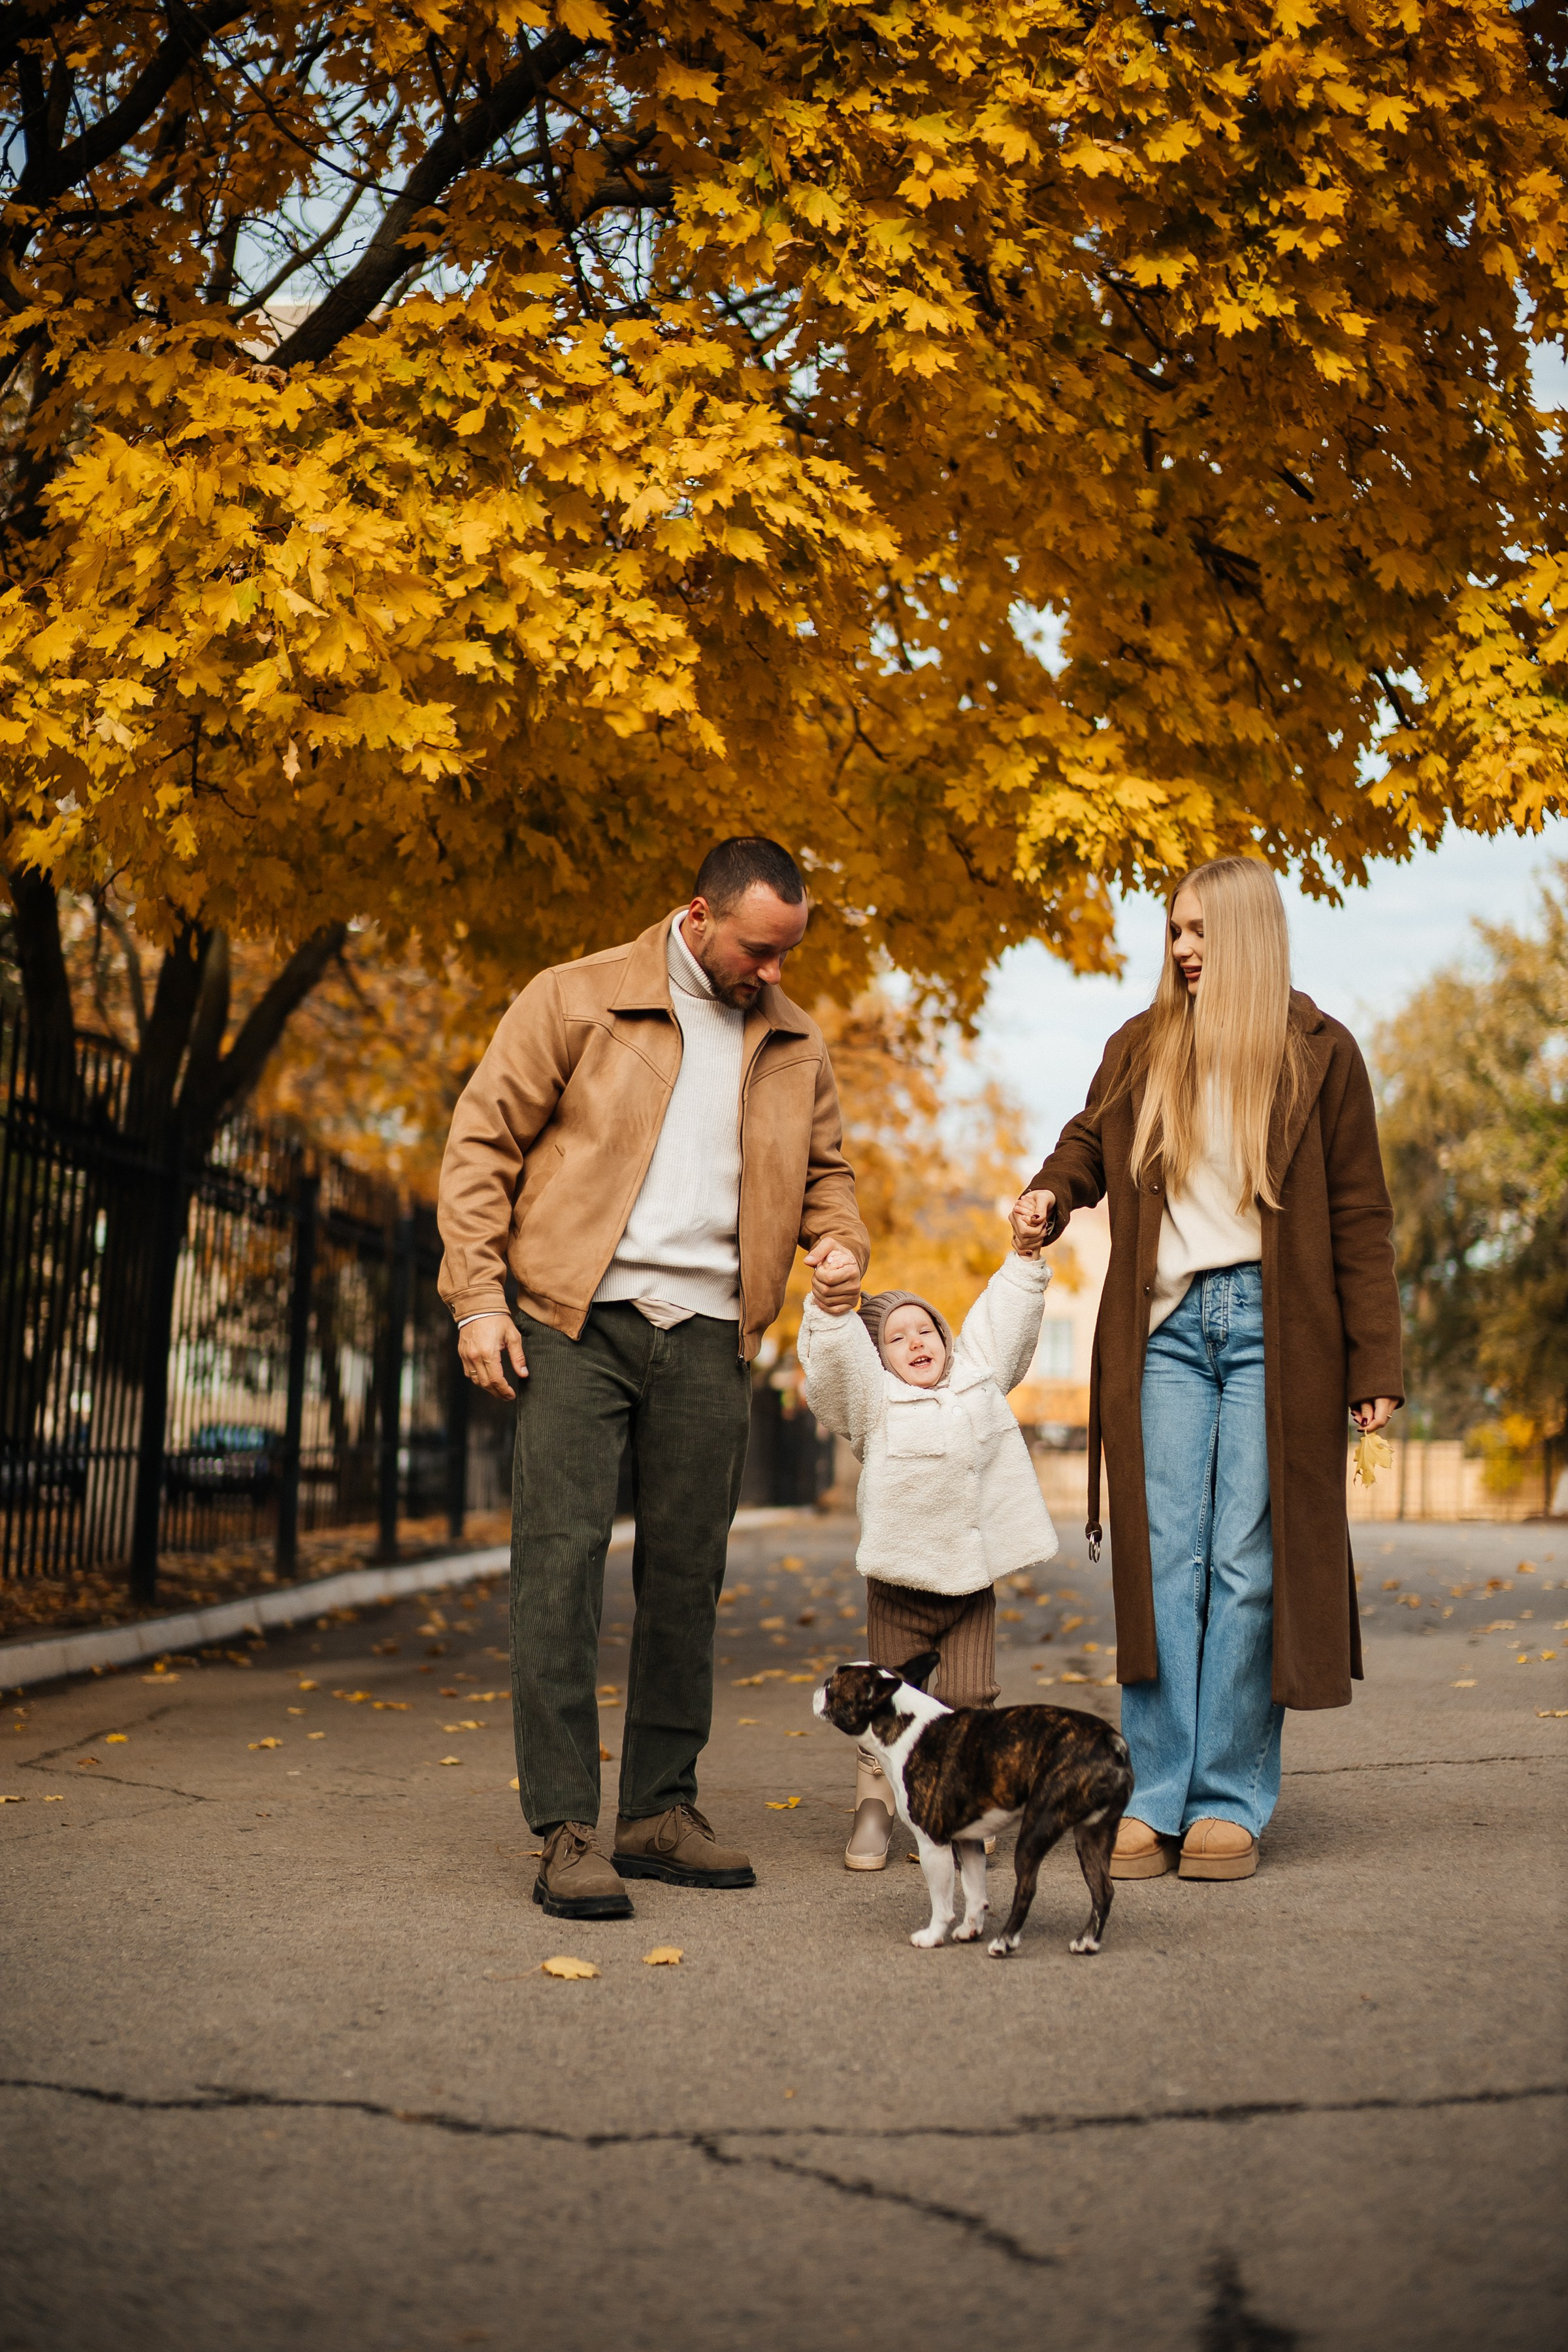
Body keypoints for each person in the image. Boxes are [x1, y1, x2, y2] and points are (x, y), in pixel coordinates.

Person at [438, 838, 870, 1919]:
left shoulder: (795, 1036)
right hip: (575, 1321)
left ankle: (660, 1812)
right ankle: (569, 1828)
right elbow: (482, 1142)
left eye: (787, 956)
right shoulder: (576, 999)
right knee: (561, 1569)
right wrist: (478, 1300)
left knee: (687, 1582)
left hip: (713, 1334)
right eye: (759, 951)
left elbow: (826, 1174)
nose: (771, 973)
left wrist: (840, 1239)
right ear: (699, 916)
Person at [1016, 856, 1403, 1882]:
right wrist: (1052, 1195)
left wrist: (1377, 1361)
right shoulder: (1141, 1049)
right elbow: (1085, 1146)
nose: (1185, 948)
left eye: (1203, 931)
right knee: (1165, 1560)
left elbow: (1362, 1216)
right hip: (1171, 1332)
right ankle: (1154, 1792)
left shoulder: (1323, 1055)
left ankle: (1228, 1796)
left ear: (1251, 935)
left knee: (1245, 1566)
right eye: (1176, 931)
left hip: (1284, 1335)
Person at [798, 1204, 1059, 1870]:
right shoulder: (875, 1405)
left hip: (969, 1587)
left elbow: (1001, 1323)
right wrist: (834, 1315)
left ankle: (961, 1801)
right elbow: (837, 1372)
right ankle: (875, 1802)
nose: (917, 1343)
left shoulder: (977, 1383)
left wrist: (1025, 1259)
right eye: (896, 1337)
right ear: (877, 1359)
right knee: (890, 1704)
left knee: (971, 1702)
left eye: (927, 1330)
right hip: (899, 1587)